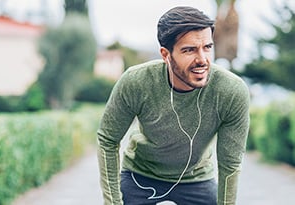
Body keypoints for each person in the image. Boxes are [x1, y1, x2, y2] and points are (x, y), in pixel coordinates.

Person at [97, 6, 250, 205]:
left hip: (197, 179)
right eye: (189, 50)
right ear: (165, 54)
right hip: (140, 176)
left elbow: (230, 165)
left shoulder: (231, 91)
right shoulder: (136, 82)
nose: (202, 60)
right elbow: (107, 140)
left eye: (207, 47)